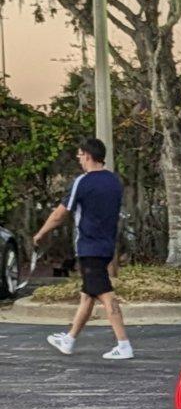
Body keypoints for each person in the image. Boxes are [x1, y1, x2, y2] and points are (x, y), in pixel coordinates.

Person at [36, 137, 132, 359]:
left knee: (106, 294)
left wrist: (41, 233)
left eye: (79, 155)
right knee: (87, 295)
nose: (79, 159)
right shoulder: (114, 181)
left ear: (88, 155)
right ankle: (68, 340)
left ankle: (124, 344)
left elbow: (61, 214)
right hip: (107, 245)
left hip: (90, 246)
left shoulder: (83, 182)